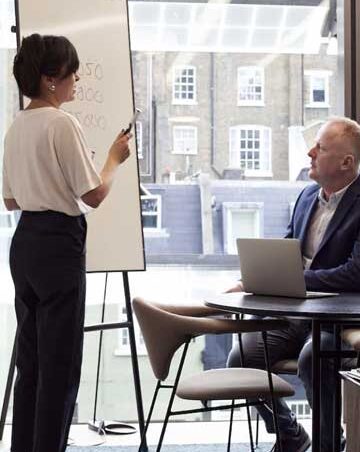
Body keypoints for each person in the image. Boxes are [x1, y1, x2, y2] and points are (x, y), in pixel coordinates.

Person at [2, 34, 132, 452]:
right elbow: (93, 194)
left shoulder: (16, 125)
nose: (76, 78)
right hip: (59, 245)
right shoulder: (62, 122)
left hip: (25, 244)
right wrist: (113, 158)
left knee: (32, 364)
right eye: (70, 71)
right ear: (49, 80)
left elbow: (11, 198)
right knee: (59, 368)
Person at [227, 117, 360, 452]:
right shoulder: (306, 197)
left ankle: (328, 443)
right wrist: (260, 276)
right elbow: (289, 251)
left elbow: (359, 273)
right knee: (241, 359)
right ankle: (290, 433)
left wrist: (296, 279)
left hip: (339, 321)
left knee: (313, 358)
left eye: (320, 148)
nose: (310, 152)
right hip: (295, 314)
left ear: (346, 162)